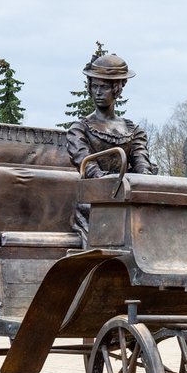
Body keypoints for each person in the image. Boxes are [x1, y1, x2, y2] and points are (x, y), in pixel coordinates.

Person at [67, 51, 156, 238]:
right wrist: (116, 183)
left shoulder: (134, 130)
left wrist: (145, 181)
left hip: (129, 201)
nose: (98, 92)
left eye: (104, 87)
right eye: (95, 86)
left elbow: (142, 167)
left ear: (117, 89)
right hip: (96, 205)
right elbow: (88, 167)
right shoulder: (79, 129)